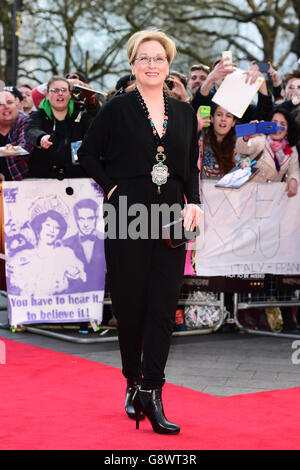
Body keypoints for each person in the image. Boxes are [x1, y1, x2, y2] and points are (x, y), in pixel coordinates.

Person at [78, 29, 202, 435]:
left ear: (169, 65)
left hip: (170, 217)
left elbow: (189, 167)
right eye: (144, 58)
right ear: (133, 64)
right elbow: (88, 155)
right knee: (130, 307)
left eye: (159, 58)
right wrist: (111, 187)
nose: (152, 65)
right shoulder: (115, 109)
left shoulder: (184, 113)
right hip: (126, 214)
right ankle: (132, 381)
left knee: (164, 308)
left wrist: (195, 202)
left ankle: (152, 389)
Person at [25, 76, 92, 179]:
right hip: (43, 180)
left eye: (63, 90)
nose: (60, 93)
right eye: (55, 90)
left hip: (78, 179)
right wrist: (41, 138)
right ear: (47, 95)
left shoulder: (82, 116)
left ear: (70, 95)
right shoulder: (37, 115)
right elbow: (31, 130)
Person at [235, 107, 300, 196]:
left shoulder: (291, 149)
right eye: (274, 123)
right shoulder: (260, 139)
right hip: (248, 194)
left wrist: (293, 180)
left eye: (282, 124)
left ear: (288, 130)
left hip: (271, 199)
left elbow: (294, 171)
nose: (277, 127)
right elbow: (242, 148)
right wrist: (247, 136)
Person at [192, 59, 273, 124]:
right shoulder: (207, 97)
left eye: (228, 71)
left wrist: (261, 83)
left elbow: (263, 117)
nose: (224, 74)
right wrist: (210, 78)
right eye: (220, 71)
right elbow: (197, 104)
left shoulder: (243, 103)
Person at [63, 198, 106, 293]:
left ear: (96, 219)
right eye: (81, 219)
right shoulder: (65, 245)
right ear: (76, 220)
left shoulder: (107, 242)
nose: (86, 224)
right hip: (74, 302)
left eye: (90, 219)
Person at [0, 89, 32, 181]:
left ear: (17, 103)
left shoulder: (26, 121)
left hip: (25, 183)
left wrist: (12, 150)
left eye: (9, 102)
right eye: (0, 104)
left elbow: (25, 147)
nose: (6, 106)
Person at [199, 104, 237, 180]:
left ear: (233, 122)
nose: (223, 119)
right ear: (212, 119)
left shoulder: (238, 143)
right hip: (200, 189)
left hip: (226, 190)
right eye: (219, 115)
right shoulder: (200, 137)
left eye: (228, 116)